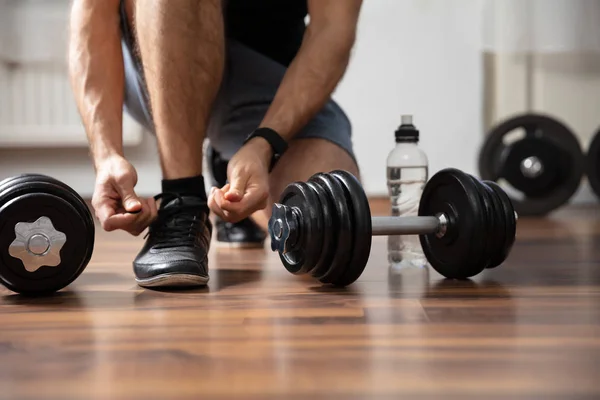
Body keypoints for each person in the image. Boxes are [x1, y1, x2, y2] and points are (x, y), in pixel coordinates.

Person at [68, 0, 363, 288]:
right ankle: (182, 201)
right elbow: (93, 13)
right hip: (158, 63)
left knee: (325, 231)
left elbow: (331, 29)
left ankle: (230, 178)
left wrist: (265, 143)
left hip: (267, 86)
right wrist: (107, 155)